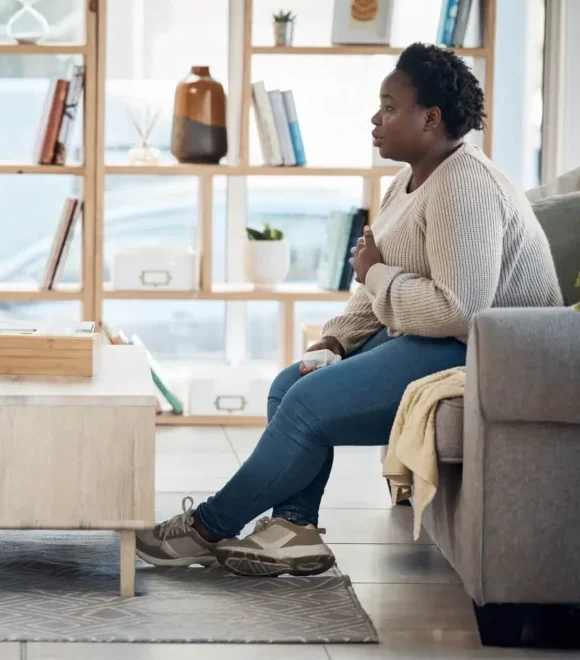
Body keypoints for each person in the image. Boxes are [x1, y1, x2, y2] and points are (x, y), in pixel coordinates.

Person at [136, 43, 563, 577]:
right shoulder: (405, 183)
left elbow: (459, 310)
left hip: (482, 354)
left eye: (389, 107)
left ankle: (208, 526)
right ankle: (295, 528)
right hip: (425, 337)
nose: (375, 118)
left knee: (308, 405)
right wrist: (335, 340)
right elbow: (371, 291)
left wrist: (377, 273)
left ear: (430, 119)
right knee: (289, 384)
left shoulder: (465, 185)